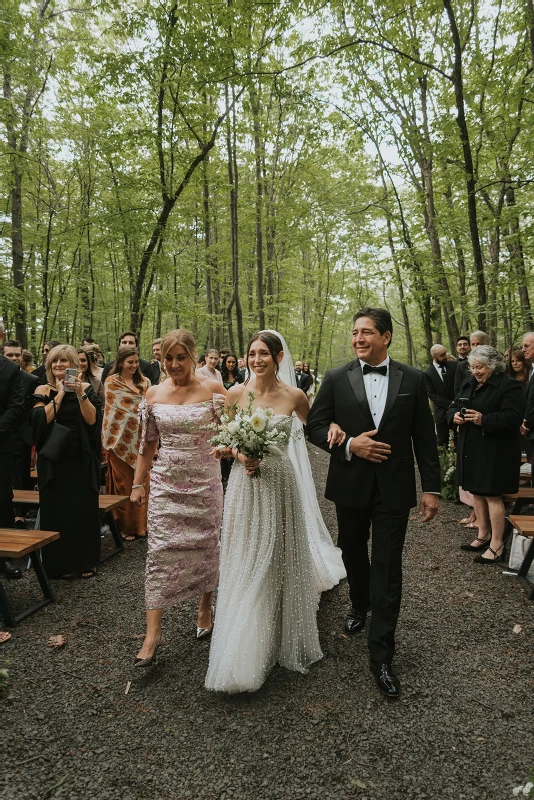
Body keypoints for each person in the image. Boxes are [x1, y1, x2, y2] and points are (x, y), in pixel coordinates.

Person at [306, 307, 441, 699]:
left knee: (387, 566)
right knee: (351, 550)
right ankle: (359, 602)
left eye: (366, 332)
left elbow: (425, 439)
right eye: (354, 333)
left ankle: (381, 654)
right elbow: (314, 426)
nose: (358, 338)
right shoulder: (335, 378)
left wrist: (430, 488)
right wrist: (349, 444)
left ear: (386, 337)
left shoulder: (413, 379)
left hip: (394, 488)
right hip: (350, 484)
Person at [205, 330, 346, 694]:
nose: (256, 359)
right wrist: (241, 455)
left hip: (281, 483)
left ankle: (280, 624)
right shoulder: (236, 394)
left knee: (278, 552)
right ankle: (245, 630)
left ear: (279, 357)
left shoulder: (295, 396)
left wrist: (335, 429)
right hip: (245, 485)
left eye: (263, 353)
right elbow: (221, 441)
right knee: (246, 553)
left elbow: (315, 430)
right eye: (251, 353)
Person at [130, 330, 226, 667]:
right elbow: (147, 445)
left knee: (206, 546)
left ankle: (204, 606)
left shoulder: (214, 391)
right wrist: (137, 484)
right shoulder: (153, 394)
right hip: (166, 483)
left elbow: (233, 434)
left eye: (180, 357)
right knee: (158, 551)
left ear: (194, 357)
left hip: (204, 482)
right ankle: (152, 634)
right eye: (168, 358)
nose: (173, 364)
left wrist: (229, 448)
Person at [31, 345, 102, 579]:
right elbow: (40, 421)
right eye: (54, 362)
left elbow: (92, 421)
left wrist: (79, 392)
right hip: (54, 460)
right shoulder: (43, 389)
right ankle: (58, 565)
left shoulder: (87, 389)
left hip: (80, 458)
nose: (59, 365)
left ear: (74, 365)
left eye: (64, 361)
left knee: (82, 510)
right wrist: (60, 393)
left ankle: (85, 561)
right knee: (57, 511)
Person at [449, 345, 525, 563]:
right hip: (470, 448)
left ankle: (497, 544)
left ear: (493, 365)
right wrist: (454, 417)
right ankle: (483, 535)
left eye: (480, 367)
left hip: (495, 450)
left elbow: (513, 417)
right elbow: (454, 406)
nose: (476, 372)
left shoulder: (508, 385)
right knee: (476, 492)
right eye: (473, 367)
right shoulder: (469, 383)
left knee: (492, 495)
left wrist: (484, 419)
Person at [103, 347, 150, 541]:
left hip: (141, 439)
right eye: (130, 362)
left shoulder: (145, 382)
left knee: (142, 482)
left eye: (136, 362)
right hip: (119, 441)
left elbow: (149, 408)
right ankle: (126, 526)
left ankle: (142, 525)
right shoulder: (111, 382)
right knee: (124, 484)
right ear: (121, 362)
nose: (134, 365)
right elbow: (112, 410)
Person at [2, 340, 39, 528]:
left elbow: (23, 408)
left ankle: (20, 516)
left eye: (18, 354)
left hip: (13, 438)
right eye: (11, 354)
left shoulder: (21, 375)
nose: (15, 358)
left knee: (17, 479)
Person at [0, 327, 25, 580]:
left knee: (2, 500)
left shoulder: (10, 370)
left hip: (1, 447)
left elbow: (16, 406)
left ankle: (4, 560)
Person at [423, 344, 457, 446]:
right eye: (442, 355)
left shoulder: (454, 365)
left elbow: (459, 385)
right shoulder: (427, 373)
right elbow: (431, 394)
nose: (445, 356)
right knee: (442, 443)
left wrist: (456, 403)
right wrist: (449, 403)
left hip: (457, 410)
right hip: (440, 413)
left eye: (445, 353)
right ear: (434, 356)